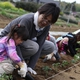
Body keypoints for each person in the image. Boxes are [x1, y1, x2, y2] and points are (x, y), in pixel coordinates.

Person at [0, 3, 60, 72]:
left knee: (50, 46)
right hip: (7, 41)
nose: (44, 22)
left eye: (49, 21)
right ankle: (12, 59)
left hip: (22, 41)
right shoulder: (27, 20)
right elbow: (16, 41)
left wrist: (31, 67)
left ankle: (23, 59)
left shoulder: (46, 26)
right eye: (44, 18)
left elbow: (40, 44)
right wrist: (22, 63)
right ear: (40, 12)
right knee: (34, 47)